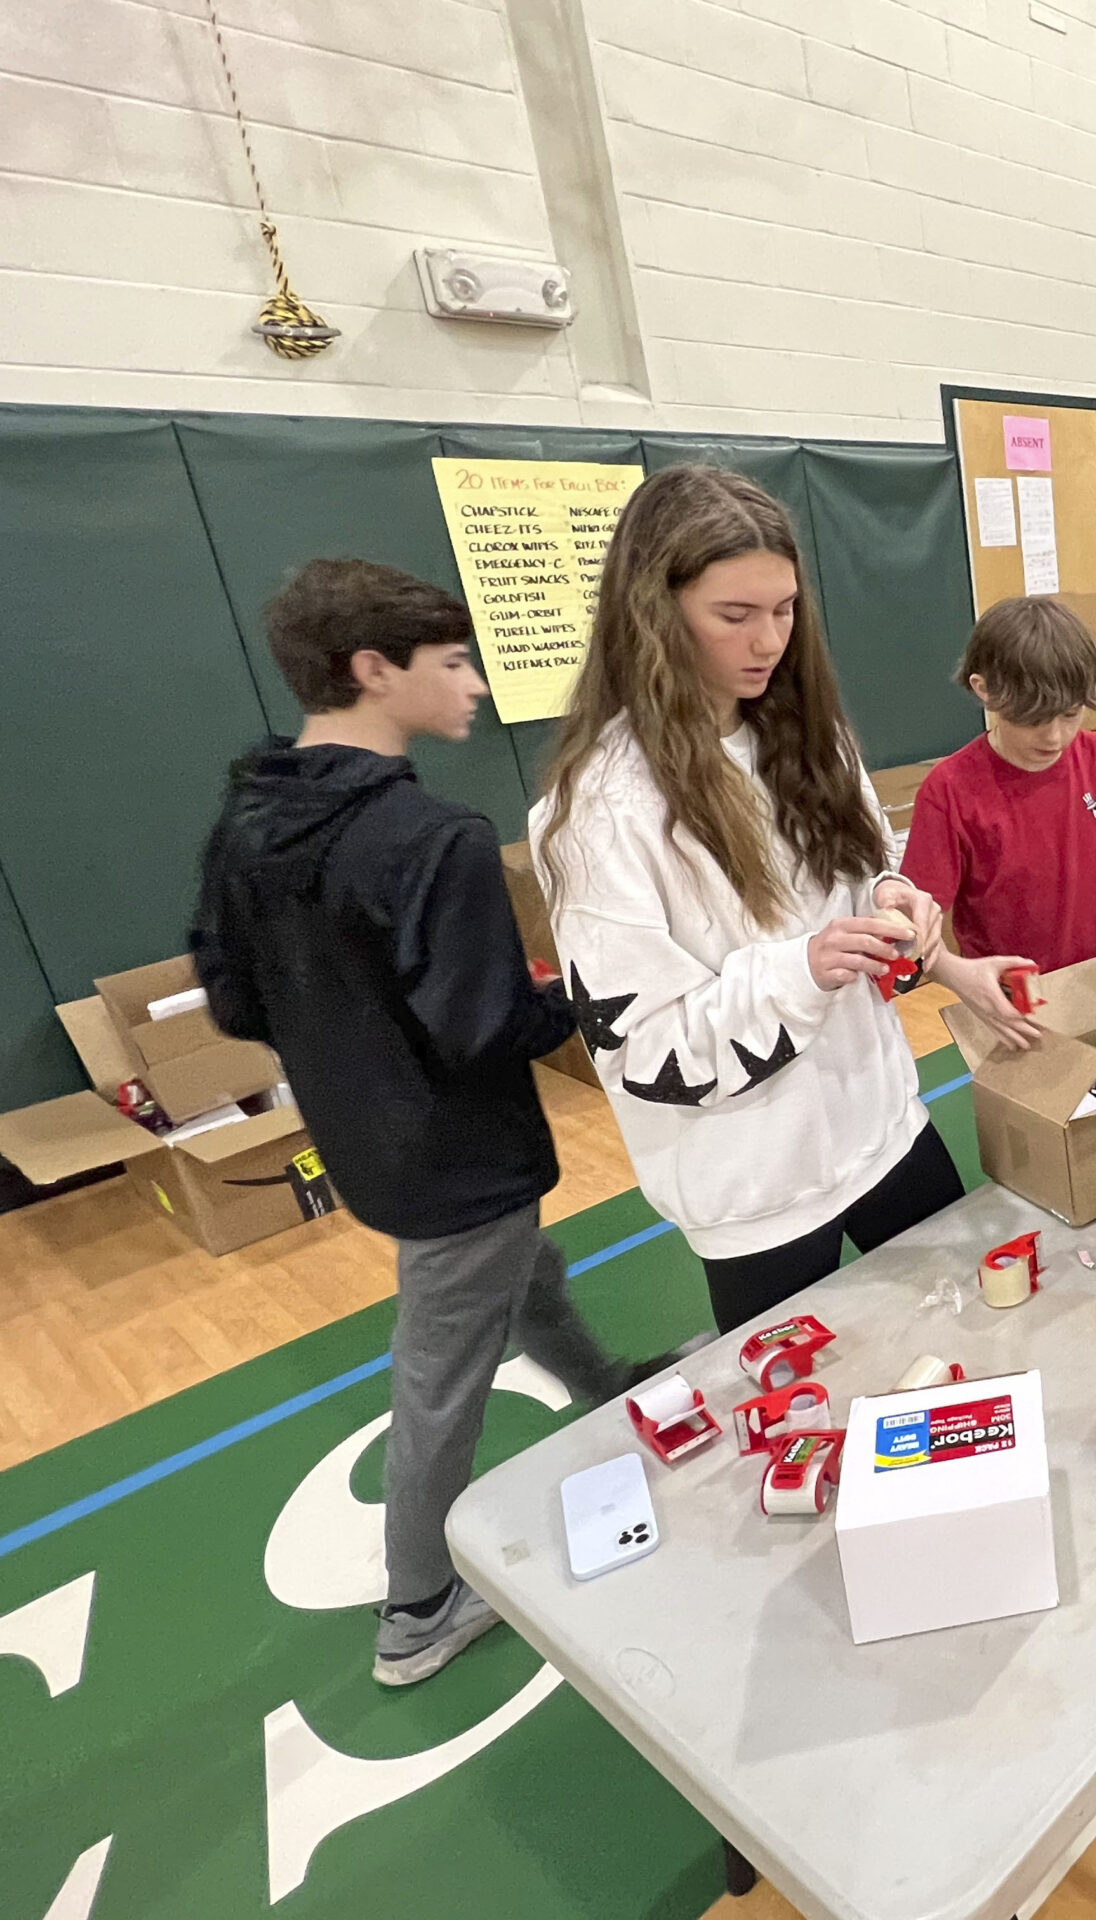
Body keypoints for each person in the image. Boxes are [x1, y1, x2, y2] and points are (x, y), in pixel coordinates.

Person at [191, 558, 654, 1688]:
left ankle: (603, 1385)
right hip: (459, 1157)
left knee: (515, 1275)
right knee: (441, 1372)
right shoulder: (434, 837)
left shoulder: (252, 817)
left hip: (367, 1147)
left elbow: (235, 999)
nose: (477, 687)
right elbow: (483, 1027)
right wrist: (595, 994)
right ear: (373, 670)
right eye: (454, 664)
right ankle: (417, 1611)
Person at [531, 466, 962, 1335]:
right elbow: (645, 1051)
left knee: (967, 1350)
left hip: (884, 1126)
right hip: (756, 1192)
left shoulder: (808, 731)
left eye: (786, 610)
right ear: (656, 613)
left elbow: (864, 854)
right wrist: (802, 970)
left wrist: (892, 895)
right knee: (811, 1431)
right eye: (734, 616)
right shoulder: (598, 813)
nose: (768, 640)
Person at [900, 595, 1096, 1046]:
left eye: (1070, 715)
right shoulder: (950, 790)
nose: (1054, 736)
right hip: (1016, 1020)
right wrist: (957, 976)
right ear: (984, 689)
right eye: (1031, 718)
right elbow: (915, 930)